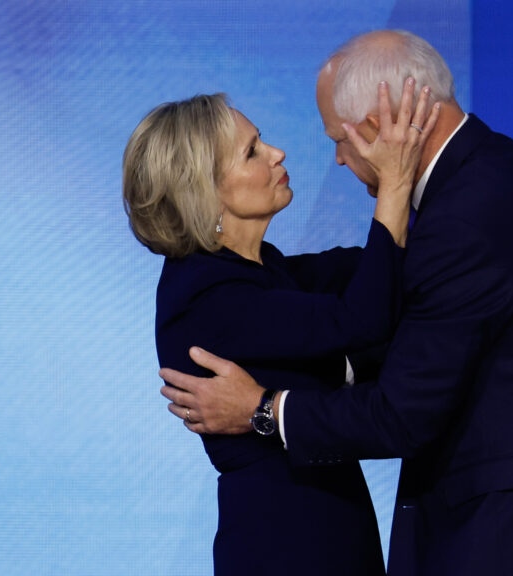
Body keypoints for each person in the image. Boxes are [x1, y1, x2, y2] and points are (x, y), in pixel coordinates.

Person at [160, 30, 513, 575]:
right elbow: (377, 311)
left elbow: (401, 410)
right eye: (254, 151)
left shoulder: (464, 218)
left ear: (380, 126)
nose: (337, 160)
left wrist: (263, 409)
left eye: (340, 140)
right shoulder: (497, 178)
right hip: (300, 539)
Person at [123, 84, 439, 576]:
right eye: (252, 152)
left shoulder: (260, 269)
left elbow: (373, 274)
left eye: (262, 140)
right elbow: (364, 317)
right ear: (204, 192)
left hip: (326, 525)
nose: (277, 154)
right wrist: (395, 185)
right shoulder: (207, 297)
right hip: (287, 543)